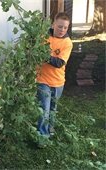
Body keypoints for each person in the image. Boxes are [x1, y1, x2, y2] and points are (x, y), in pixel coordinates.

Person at [36, 12, 73, 140]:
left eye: (65, 27)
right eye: (59, 26)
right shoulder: (43, 36)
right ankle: (42, 135)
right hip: (42, 79)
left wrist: (44, 55)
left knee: (52, 108)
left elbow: (59, 63)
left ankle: (50, 128)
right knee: (44, 109)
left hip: (58, 82)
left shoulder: (67, 43)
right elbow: (35, 52)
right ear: (53, 25)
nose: (62, 30)